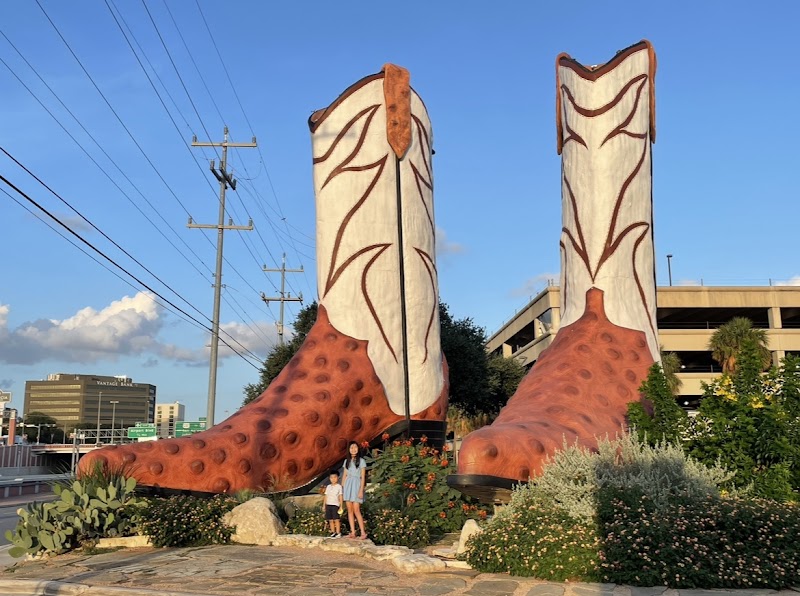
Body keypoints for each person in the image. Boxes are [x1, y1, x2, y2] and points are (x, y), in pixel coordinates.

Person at [342, 441, 367, 539]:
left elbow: (363, 477)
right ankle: (352, 532)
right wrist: (342, 489)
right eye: (351, 448)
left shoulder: (361, 461)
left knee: (357, 510)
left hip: (357, 485)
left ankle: (363, 532)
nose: (353, 449)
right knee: (350, 510)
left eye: (355, 447)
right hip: (348, 485)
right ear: (349, 450)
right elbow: (344, 475)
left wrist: (361, 490)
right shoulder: (346, 461)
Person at [323, 470, 343, 538]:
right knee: (330, 520)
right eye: (331, 477)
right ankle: (333, 532)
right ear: (329, 478)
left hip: (335, 505)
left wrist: (341, 506)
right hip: (328, 504)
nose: (333, 479)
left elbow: (340, 496)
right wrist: (324, 505)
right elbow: (326, 496)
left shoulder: (339, 487)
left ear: (338, 478)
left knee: (336, 519)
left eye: (335, 477)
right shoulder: (328, 487)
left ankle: (338, 532)